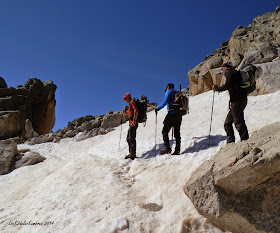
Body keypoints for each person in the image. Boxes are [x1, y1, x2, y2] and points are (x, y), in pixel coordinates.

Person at [212, 62, 249, 143]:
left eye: (222, 69)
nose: (222, 71)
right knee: (227, 123)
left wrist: (217, 89)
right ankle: (231, 142)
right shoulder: (235, 73)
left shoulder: (230, 73)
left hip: (236, 100)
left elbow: (228, 85)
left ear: (226, 68)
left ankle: (245, 140)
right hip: (241, 100)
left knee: (238, 121)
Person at [155, 83, 182, 155]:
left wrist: (158, 108)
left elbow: (165, 101)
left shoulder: (169, 91)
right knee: (177, 133)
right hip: (179, 114)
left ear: (168, 87)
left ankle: (167, 148)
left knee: (165, 131)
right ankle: (177, 149)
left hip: (171, 114)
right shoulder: (178, 93)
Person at [122, 93, 138, 160]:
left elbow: (136, 110)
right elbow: (131, 113)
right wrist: (126, 113)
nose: (125, 100)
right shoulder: (130, 103)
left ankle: (132, 154)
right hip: (132, 123)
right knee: (128, 139)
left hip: (133, 123)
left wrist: (134, 120)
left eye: (125, 98)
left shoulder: (132, 102)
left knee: (131, 138)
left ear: (128, 97)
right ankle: (131, 153)